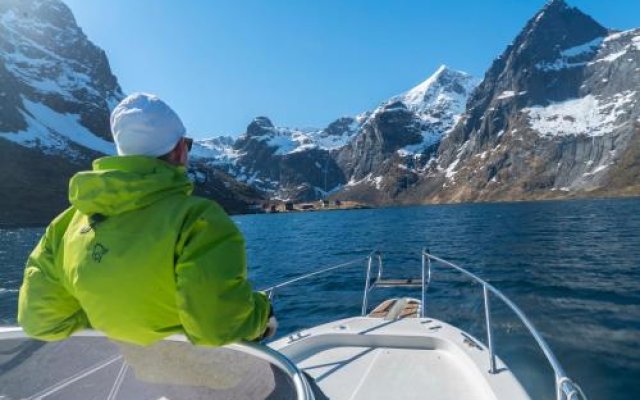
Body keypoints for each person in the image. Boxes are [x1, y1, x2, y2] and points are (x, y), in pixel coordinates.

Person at [18, 93, 276, 346]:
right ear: (178, 151)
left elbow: (40, 322)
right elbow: (220, 326)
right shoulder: (198, 220)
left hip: (133, 381)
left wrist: (107, 320)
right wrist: (262, 313)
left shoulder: (64, 225)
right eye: (187, 144)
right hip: (208, 378)